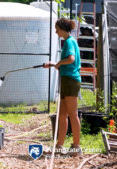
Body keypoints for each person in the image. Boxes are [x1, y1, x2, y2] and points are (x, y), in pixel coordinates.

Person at [43, 18, 82, 156]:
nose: (55, 31)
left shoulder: (69, 41)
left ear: (62, 28)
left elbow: (70, 59)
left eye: (57, 29)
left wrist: (58, 62)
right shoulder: (69, 42)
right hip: (66, 80)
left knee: (73, 114)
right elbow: (67, 64)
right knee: (62, 115)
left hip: (70, 81)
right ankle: (59, 146)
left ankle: (76, 147)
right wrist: (54, 64)